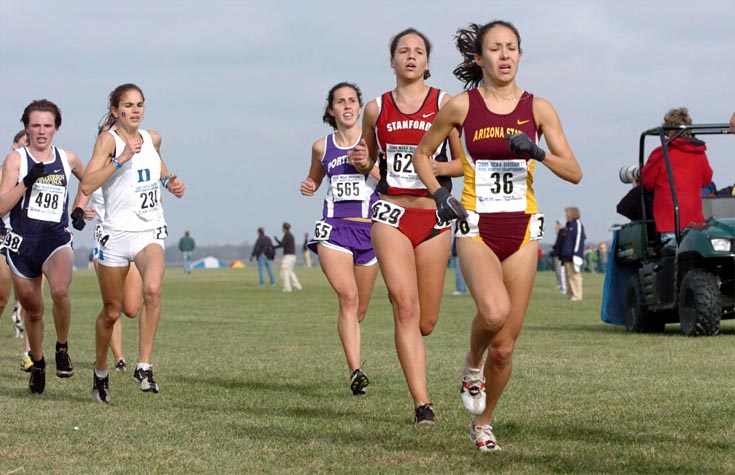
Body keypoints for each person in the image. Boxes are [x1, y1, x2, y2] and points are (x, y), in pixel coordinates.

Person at [411, 21, 582, 451]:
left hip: (522, 230)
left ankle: (483, 424)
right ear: (478, 58)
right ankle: (471, 366)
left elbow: (575, 172)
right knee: (493, 312)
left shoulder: (539, 109)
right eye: (495, 48)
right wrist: (439, 195)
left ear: (520, 55)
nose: (504, 56)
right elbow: (422, 155)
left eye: (511, 48)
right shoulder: (461, 107)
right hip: (476, 227)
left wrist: (536, 152)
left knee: (504, 350)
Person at [349, 27, 464, 427]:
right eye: (403, 51)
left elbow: (463, 165)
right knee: (406, 306)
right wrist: (364, 161)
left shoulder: (446, 104)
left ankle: (406, 309)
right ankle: (422, 405)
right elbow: (367, 160)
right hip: (390, 212)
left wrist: (436, 167)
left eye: (419, 52)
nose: (411, 57)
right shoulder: (376, 108)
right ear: (392, 61)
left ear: (428, 63)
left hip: (432, 215)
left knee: (426, 321)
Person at [82, 83, 185, 403]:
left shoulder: (153, 138)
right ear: (115, 111)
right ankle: (100, 373)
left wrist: (170, 182)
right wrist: (120, 159)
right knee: (112, 312)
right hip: (115, 234)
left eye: (139, 104)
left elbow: (158, 165)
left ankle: (144, 365)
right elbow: (87, 183)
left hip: (149, 231)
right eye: (127, 105)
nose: (135, 110)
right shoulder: (107, 141)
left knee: (152, 290)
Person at [0, 99, 90, 394]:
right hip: (22, 243)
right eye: (36, 125)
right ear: (26, 127)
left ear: (57, 128)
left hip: (55, 238)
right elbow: (1, 207)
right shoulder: (16, 160)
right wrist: (26, 181)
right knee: (34, 311)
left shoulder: (67, 158)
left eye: (47, 125)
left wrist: (80, 207)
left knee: (60, 291)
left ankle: (61, 348)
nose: (41, 131)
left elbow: (90, 181)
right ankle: (38, 364)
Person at [300, 81, 380, 395]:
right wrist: (308, 185)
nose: (346, 106)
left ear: (359, 108)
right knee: (348, 298)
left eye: (351, 101)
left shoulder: (375, 143)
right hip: (334, 229)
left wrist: (368, 165)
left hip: (371, 233)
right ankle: (355, 371)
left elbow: (391, 181)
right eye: (340, 102)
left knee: (358, 310)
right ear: (331, 110)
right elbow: (315, 178)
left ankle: (354, 359)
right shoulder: (322, 146)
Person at [85, 186, 143, 373]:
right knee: (112, 307)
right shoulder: (96, 169)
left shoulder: (138, 166)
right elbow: (81, 195)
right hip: (105, 241)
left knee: (131, 309)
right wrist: (82, 211)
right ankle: (119, 358)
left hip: (132, 238)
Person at [640, 107, 713, 248]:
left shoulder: (662, 153)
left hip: (669, 220)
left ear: (668, 129)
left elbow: (647, 181)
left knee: (672, 261)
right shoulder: (699, 153)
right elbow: (707, 179)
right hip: (694, 221)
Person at [561, 207, 586, 301]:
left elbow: (579, 239)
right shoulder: (568, 225)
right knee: (569, 276)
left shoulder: (577, 224)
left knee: (575, 276)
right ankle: (570, 294)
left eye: (568, 213)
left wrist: (576, 253)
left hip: (574, 255)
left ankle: (577, 295)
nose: (566, 215)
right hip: (567, 255)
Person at [274, 222, 302, 292]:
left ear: (283, 228)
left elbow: (282, 244)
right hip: (292, 256)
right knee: (290, 272)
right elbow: (283, 244)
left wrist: (274, 246)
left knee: (284, 271)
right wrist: (277, 242)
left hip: (288, 256)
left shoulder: (287, 235)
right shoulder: (290, 235)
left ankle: (287, 287)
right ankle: (297, 286)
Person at [550, 221, 567, 295]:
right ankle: (560, 285)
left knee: (560, 271)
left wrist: (556, 252)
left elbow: (559, 245)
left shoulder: (562, 233)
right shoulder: (560, 233)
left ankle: (562, 286)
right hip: (557, 255)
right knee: (558, 271)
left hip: (559, 255)